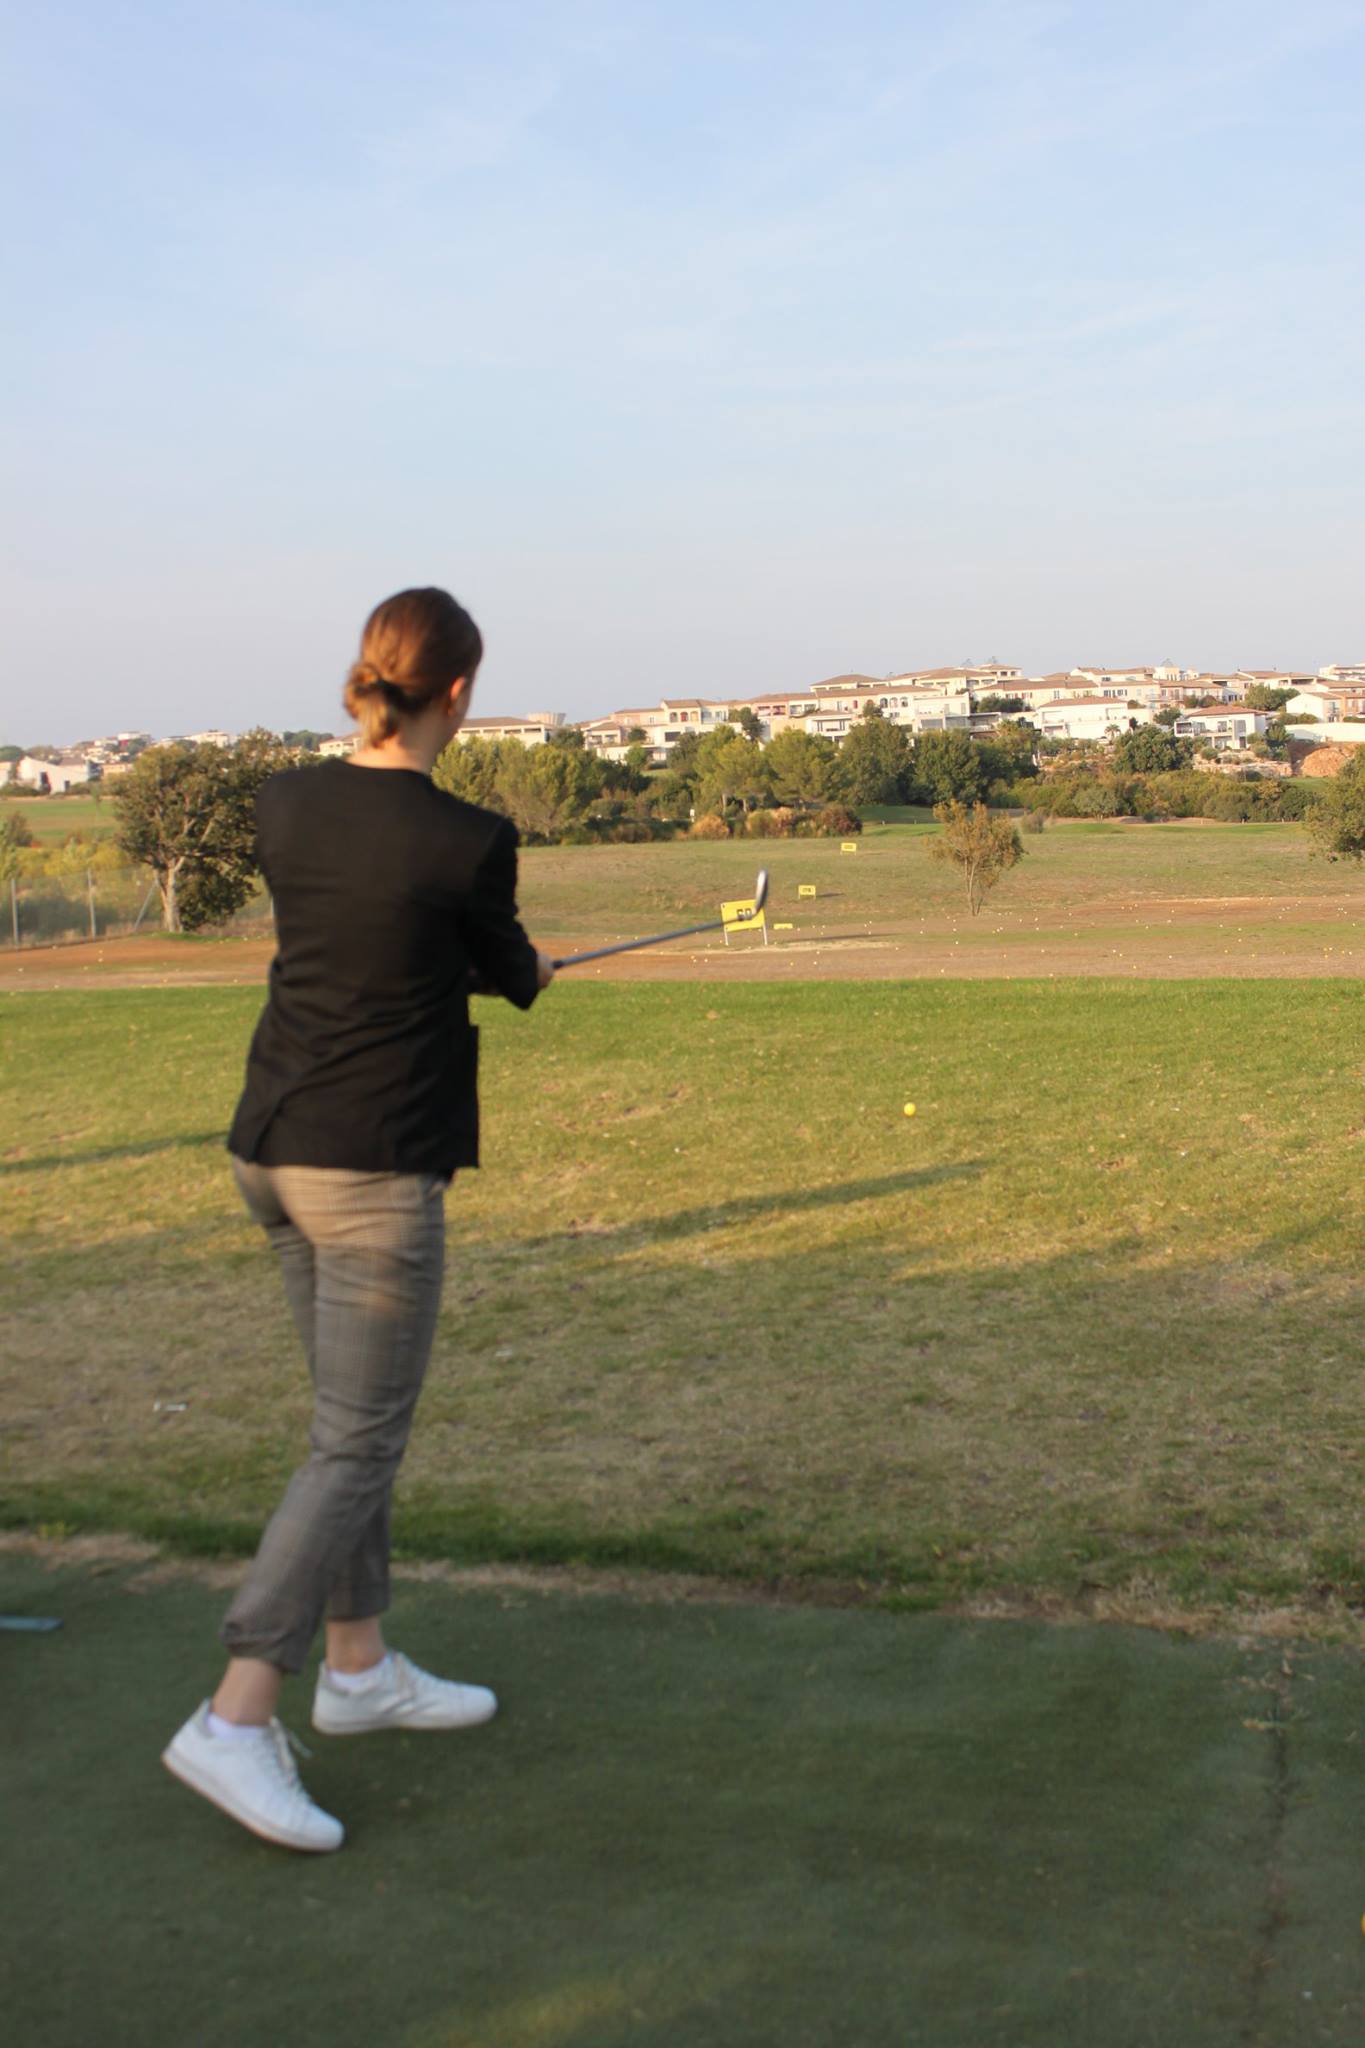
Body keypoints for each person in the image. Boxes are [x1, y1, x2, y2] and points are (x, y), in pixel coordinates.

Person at [163, 586, 554, 1852]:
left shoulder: (282, 803)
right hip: (370, 1168)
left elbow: (378, 928)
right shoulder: (468, 838)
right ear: (459, 691)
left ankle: (359, 1666)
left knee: (348, 1430)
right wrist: (526, 969)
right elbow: (507, 965)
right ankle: (236, 1713)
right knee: (357, 1440)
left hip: (270, 1144)